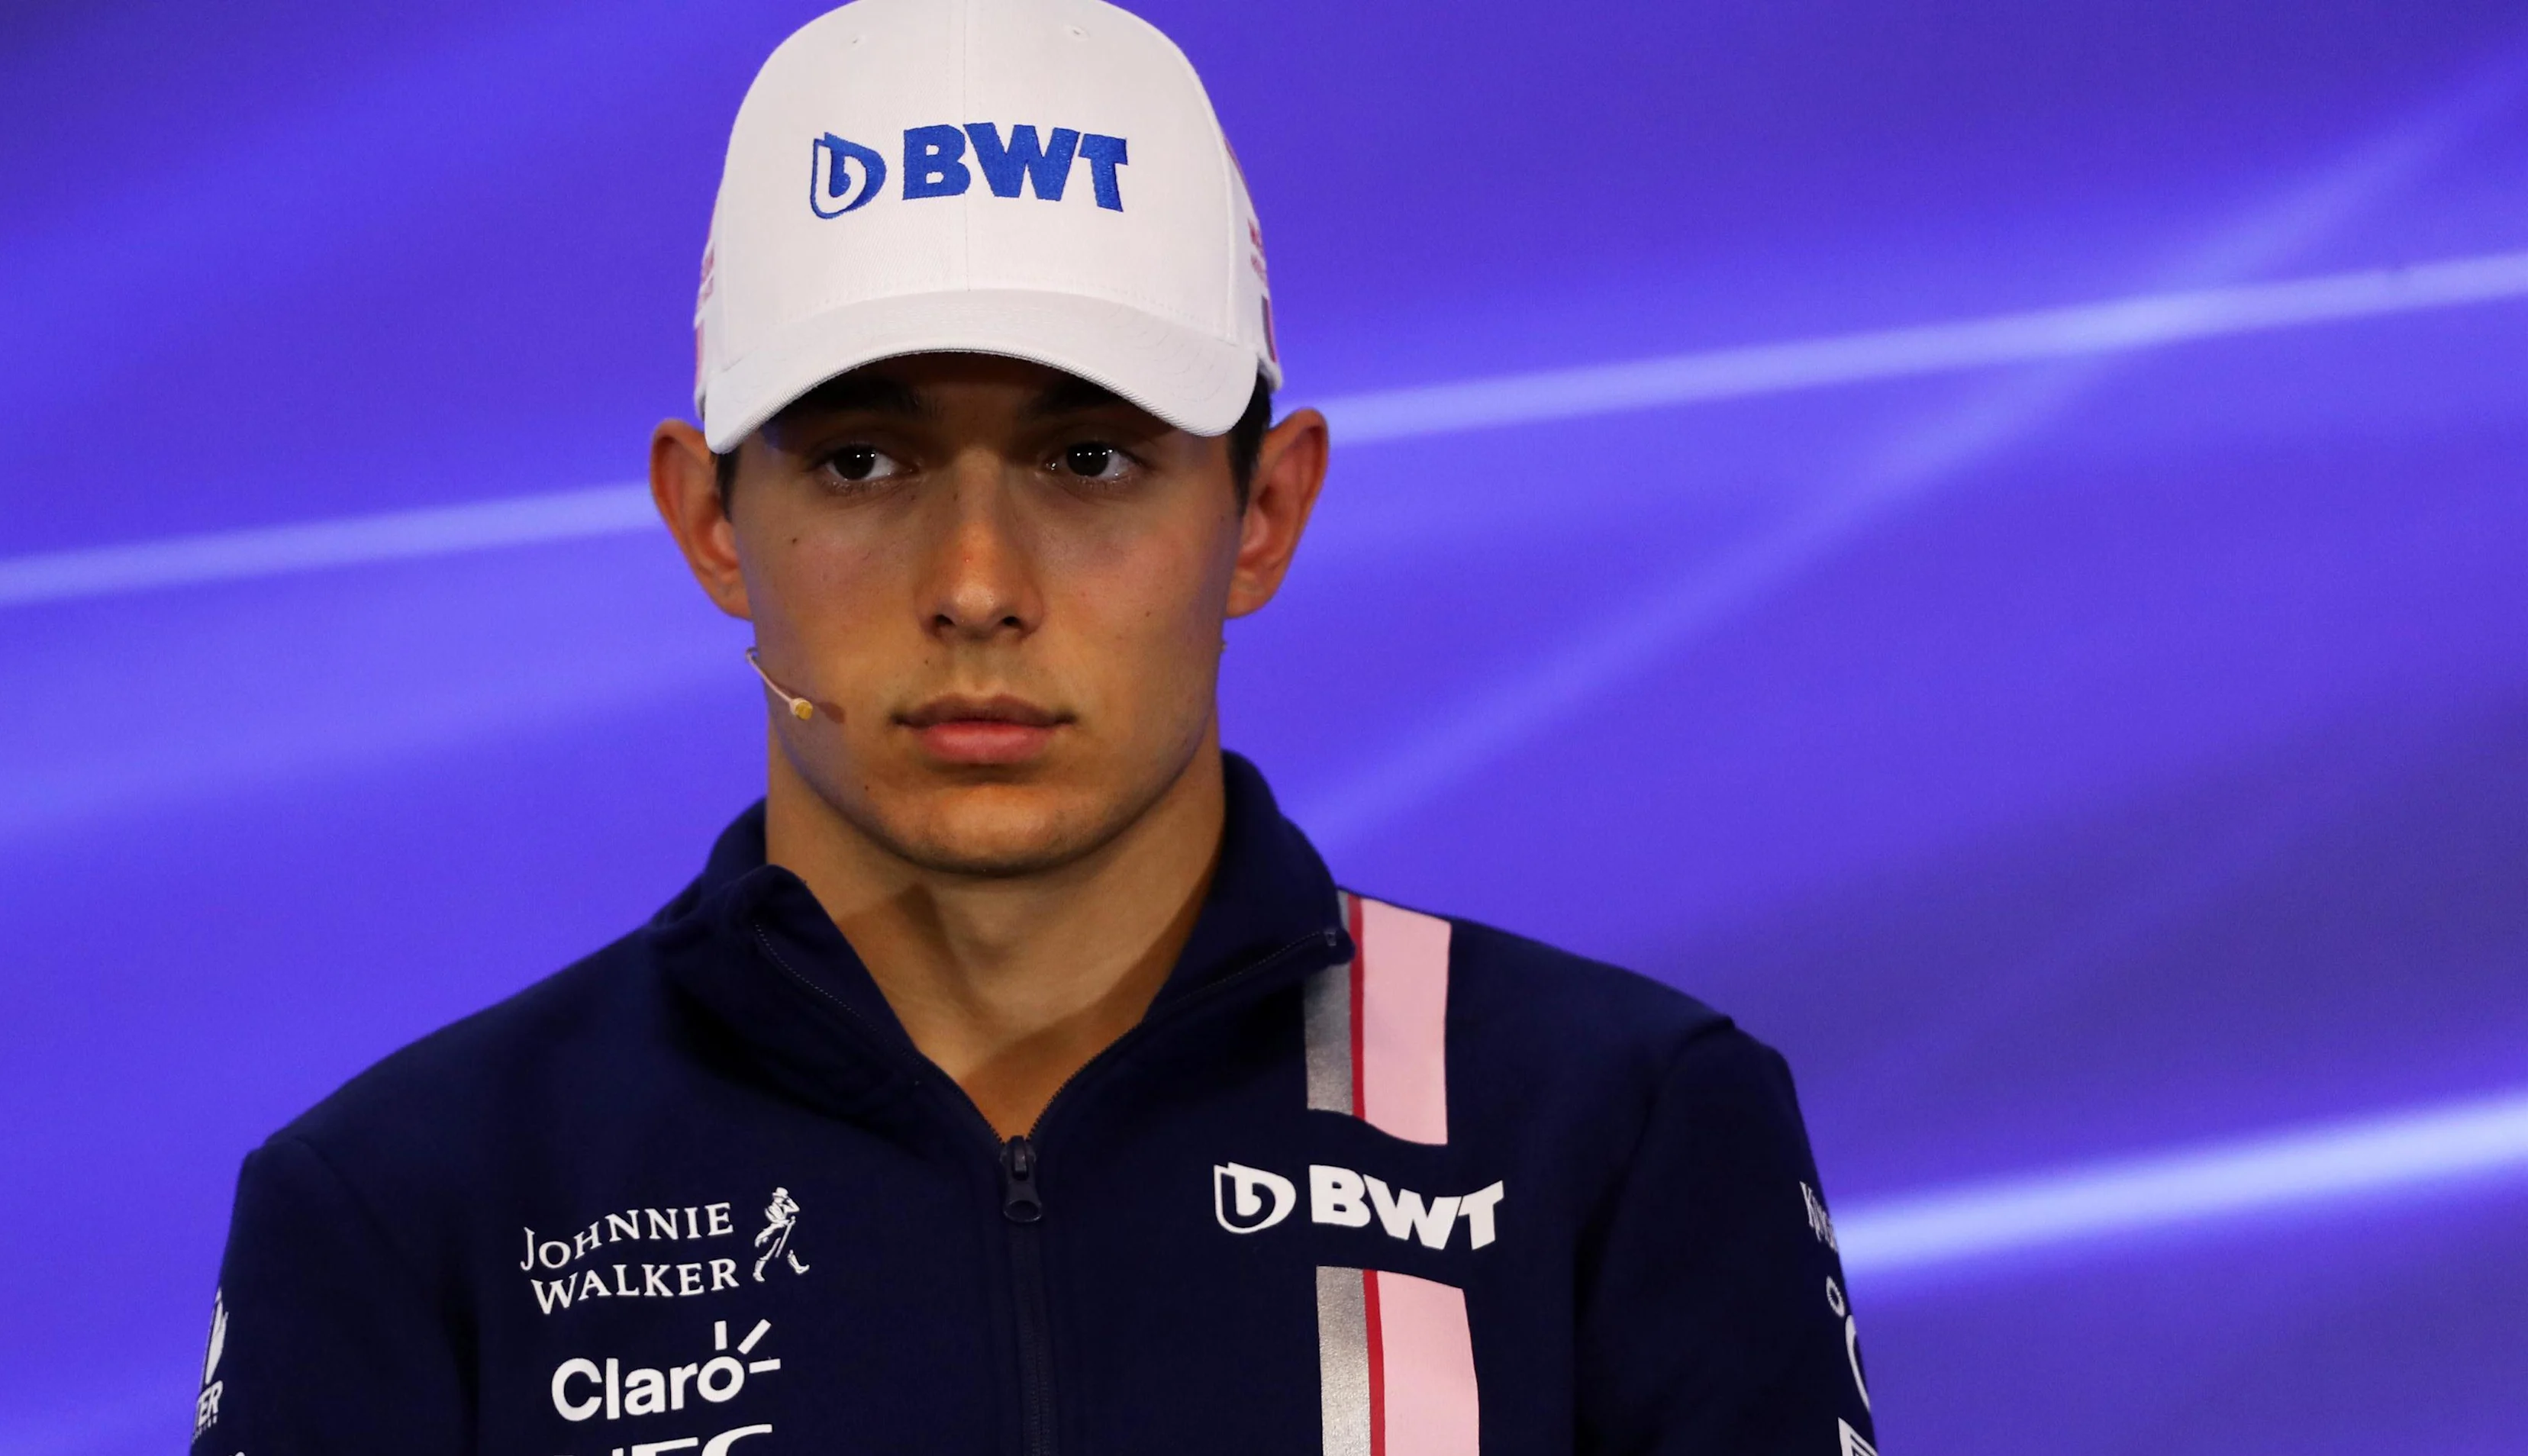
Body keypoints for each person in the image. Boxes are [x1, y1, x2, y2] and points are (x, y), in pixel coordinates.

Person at [194, 1, 1878, 1452]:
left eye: (1089, 459)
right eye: (862, 460)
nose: (978, 584)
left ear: (1266, 511)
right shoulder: (408, 1209)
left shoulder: (1619, 1136)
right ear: (708, 520)